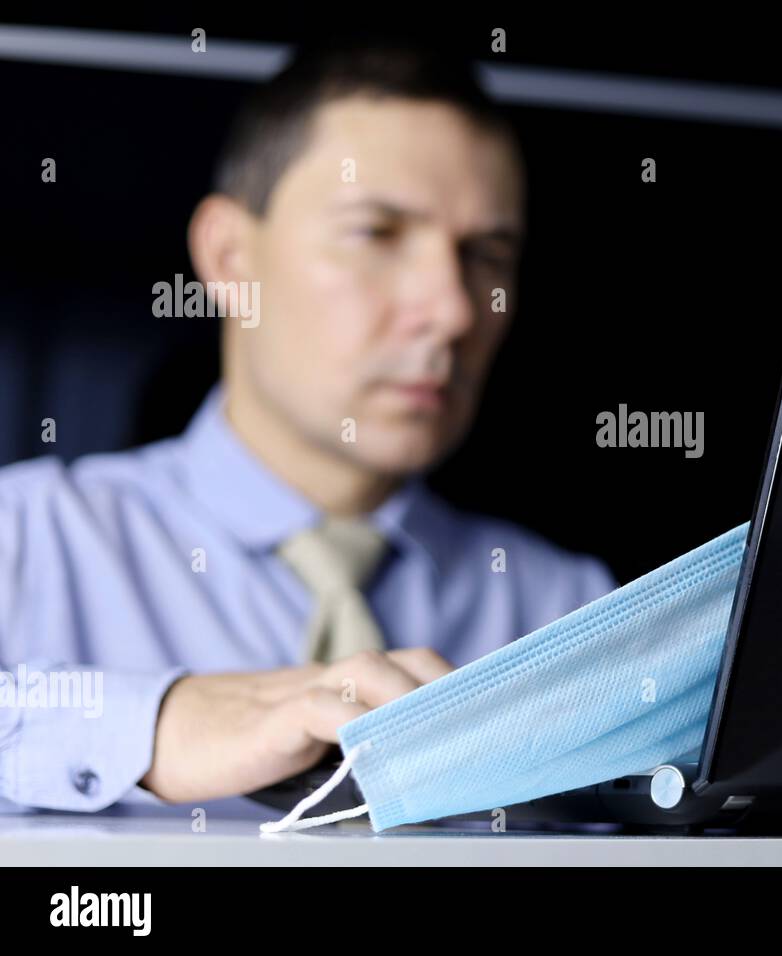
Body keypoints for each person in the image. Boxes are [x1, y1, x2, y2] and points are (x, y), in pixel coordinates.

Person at [0, 41, 616, 814]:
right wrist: (145, 725)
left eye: (487, 254)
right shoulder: (23, 542)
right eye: (378, 233)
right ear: (229, 257)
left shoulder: (574, 616)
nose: (457, 310)